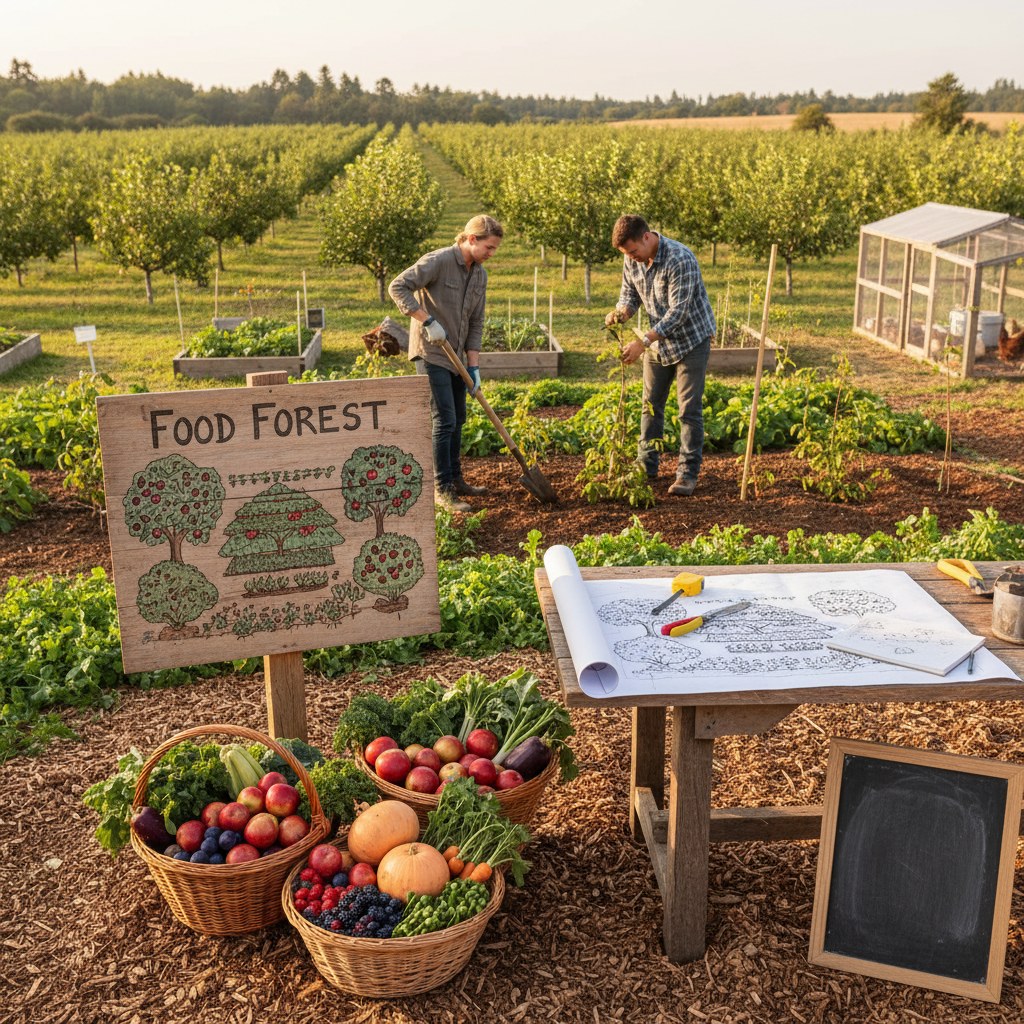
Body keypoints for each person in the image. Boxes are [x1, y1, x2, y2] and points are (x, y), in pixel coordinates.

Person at [388, 215, 503, 513]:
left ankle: (456, 479)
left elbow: (476, 322)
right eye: (489, 247)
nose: (491, 254)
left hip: (457, 358)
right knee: (445, 419)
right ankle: (442, 489)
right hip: (431, 351)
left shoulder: (480, 275)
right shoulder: (438, 261)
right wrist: (426, 320)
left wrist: (474, 366)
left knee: (460, 418)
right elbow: (398, 286)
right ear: (472, 239)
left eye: (495, 249)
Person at [604, 214, 716, 497]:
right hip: (657, 343)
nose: (631, 258)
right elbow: (630, 295)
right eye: (626, 254)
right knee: (650, 406)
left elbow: (677, 314)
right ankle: (646, 466)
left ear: (646, 237)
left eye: (633, 251)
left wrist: (642, 341)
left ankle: (687, 474)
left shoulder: (681, 259)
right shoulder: (632, 259)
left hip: (691, 341)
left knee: (688, 409)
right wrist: (621, 313)